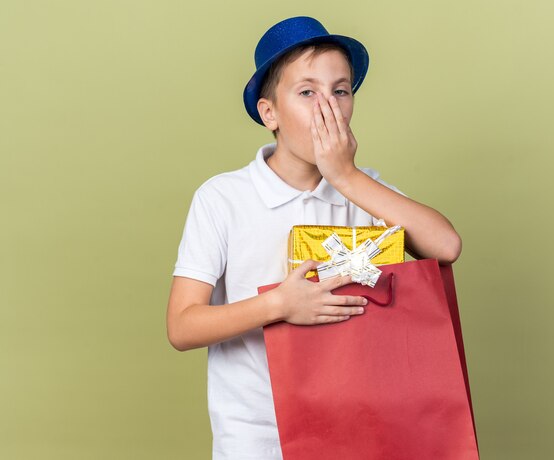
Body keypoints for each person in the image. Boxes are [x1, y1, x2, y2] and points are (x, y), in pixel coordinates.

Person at [166, 15, 462, 460]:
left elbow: (447, 247)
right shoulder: (223, 198)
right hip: (257, 434)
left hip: (356, 424)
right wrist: (280, 305)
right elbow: (182, 325)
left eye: (340, 91)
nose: (328, 108)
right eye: (307, 92)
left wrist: (345, 176)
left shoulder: (366, 192)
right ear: (270, 113)